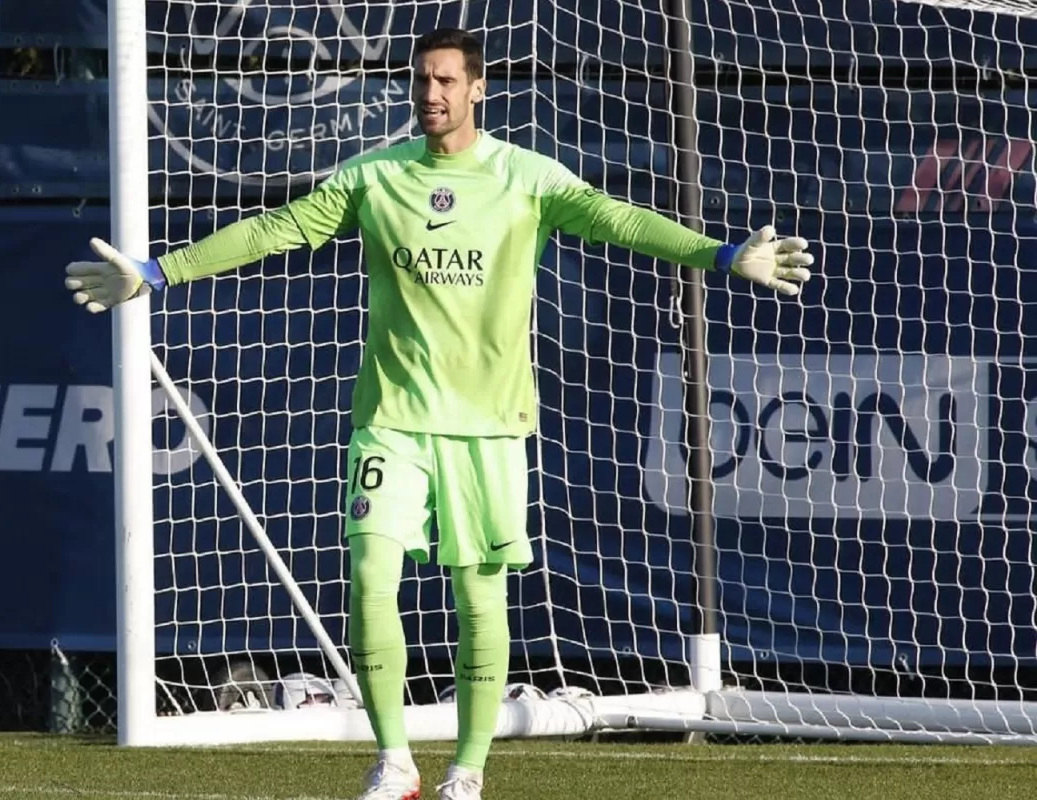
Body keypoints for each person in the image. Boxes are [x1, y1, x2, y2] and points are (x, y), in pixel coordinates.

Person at [64, 27, 813, 800]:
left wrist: (723, 255)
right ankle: (394, 761)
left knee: (480, 597)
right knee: (367, 573)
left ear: (476, 89)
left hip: (488, 428)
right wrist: (157, 272)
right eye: (422, 80)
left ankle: (468, 770)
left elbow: (620, 220)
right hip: (391, 418)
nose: (431, 94)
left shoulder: (527, 177)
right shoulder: (375, 176)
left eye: (447, 81)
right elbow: (274, 230)